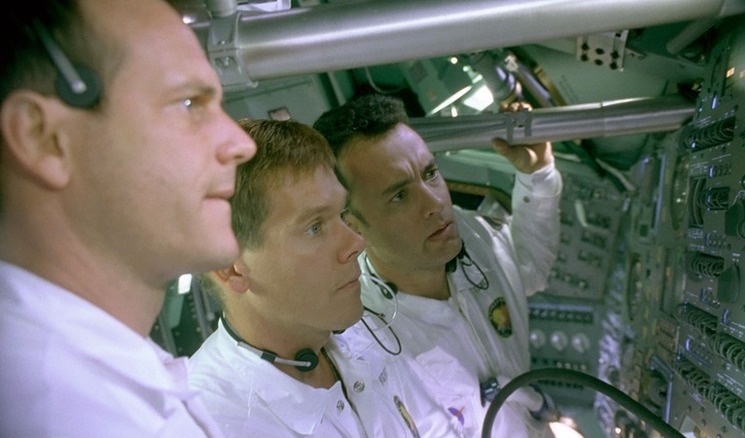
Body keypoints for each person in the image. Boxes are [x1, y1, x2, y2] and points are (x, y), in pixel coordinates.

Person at [0, 0, 256, 436]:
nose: (240, 143)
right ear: (44, 139)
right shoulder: (62, 416)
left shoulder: (93, 377)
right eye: (189, 102)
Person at [188, 118, 469, 437]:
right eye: (315, 227)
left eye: (339, 215)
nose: (356, 243)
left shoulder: (362, 334)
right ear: (231, 268)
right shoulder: (209, 424)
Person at [313, 94, 563, 437]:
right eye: (399, 196)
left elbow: (528, 267)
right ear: (352, 224)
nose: (436, 203)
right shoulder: (359, 344)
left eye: (430, 173)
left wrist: (538, 174)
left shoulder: (473, 235)